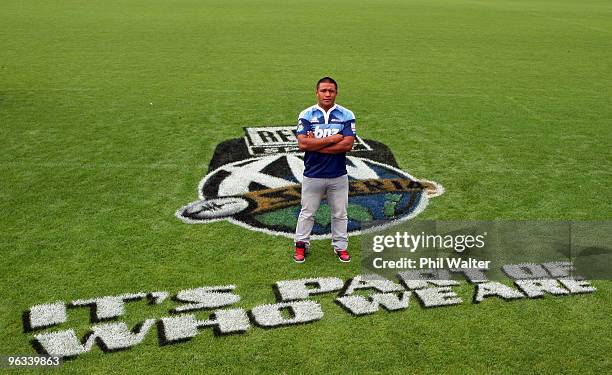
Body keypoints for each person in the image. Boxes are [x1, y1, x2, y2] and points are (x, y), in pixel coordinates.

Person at [293, 77, 356, 263]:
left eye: (331, 91)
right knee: (307, 212)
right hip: (313, 174)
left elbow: (348, 145)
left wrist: (316, 144)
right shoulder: (306, 114)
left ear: (336, 93)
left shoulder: (346, 114)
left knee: (340, 213)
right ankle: (301, 246)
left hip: (338, 175)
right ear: (317, 92)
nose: (327, 94)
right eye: (323, 90)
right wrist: (334, 138)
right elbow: (303, 143)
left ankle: (341, 247)